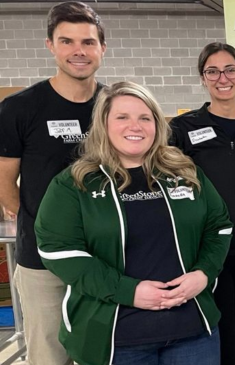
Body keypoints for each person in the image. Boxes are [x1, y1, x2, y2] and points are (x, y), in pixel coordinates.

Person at [34, 81, 233, 365]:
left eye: (145, 117)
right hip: (117, 339)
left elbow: (220, 227)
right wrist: (129, 291)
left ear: (157, 124)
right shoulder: (75, 183)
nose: (135, 126)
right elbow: (59, 251)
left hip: (192, 331)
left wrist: (203, 273)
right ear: (104, 124)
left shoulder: (185, 173)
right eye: (122, 117)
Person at [0, 2, 105, 363]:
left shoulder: (114, 107)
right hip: (43, 261)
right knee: (48, 352)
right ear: (50, 45)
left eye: (88, 42)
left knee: (102, 351)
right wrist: (41, 224)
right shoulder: (19, 109)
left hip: (106, 259)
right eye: (67, 41)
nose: (79, 51)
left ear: (102, 48)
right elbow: (5, 182)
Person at [170, 42, 235, 365]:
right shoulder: (182, 129)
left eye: (230, 70)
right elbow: (177, 192)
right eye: (212, 71)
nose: (222, 78)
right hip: (207, 250)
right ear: (203, 78)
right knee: (222, 331)